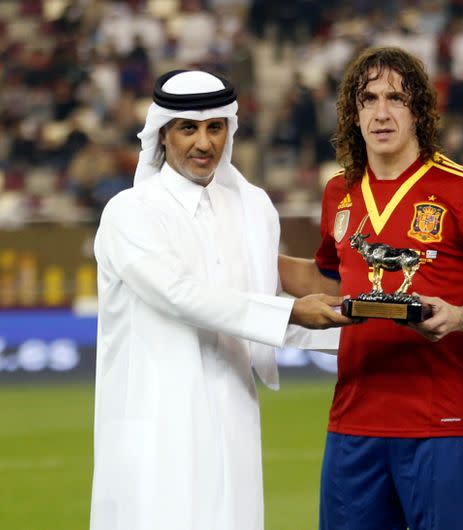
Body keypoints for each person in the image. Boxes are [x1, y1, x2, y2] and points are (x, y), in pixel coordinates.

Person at [90, 69, 353, 530]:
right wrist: (292, 310)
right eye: (188, 128)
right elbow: (180, 296)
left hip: (233, 411)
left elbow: (255, 309)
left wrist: (363, 327)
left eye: (216, 128)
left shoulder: (253, 209)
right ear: (163, 134)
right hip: (156, 415)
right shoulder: (130, 213)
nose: (203, 143)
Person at [282, 46, 463, 530]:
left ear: (419, 110)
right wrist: (238, 256)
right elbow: (328, 280)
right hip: (354, 423)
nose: (381, 113)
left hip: (442, 423)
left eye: (396, 98)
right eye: (368, 99)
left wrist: (459, 317)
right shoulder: (340, 191)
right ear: (353, 115)